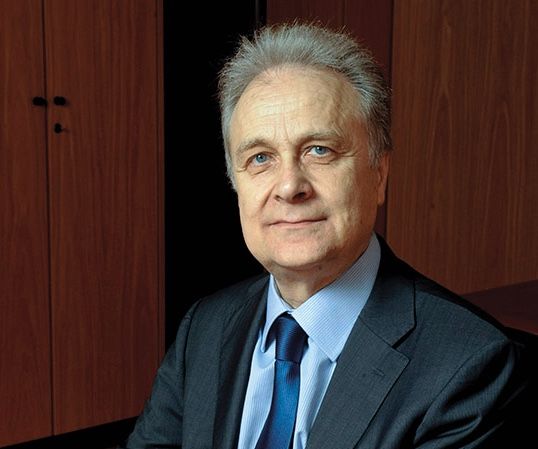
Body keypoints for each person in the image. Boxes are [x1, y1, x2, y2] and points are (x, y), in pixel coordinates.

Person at [123, 23, 532, 448]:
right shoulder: (204, 329)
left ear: (379, 174)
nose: (289, 186)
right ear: (235, 183)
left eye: (319, 150)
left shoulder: (469, 364)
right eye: (260, 158)